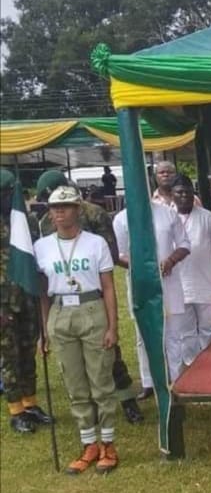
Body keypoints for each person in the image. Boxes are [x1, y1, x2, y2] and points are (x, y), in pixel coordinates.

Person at [36, 170, 143, 424]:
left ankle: (127, 399)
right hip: (64, 299)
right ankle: (89, 409)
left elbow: (111, 251)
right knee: (76, 364)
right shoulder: (45, 222)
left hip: (92, 294)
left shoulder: (94, 213)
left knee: (109, 354)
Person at [35, 186, 120, 474]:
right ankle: (89, 443)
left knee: (100, 381)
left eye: (67, 206)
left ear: (78, 210)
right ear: (49, 213)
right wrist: (45, 329)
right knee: (75, 385)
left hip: (91, 308)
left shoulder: (95, 243)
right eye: (55, 208)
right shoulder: (42, 246)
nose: (60, 212)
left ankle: (108, 442)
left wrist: (113, 326)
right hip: (60, 313)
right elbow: (43, 292)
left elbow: (108, 287)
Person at [113, 200, 191, 392]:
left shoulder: (168, 214)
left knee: (173, 334)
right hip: (141, 284)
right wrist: (142, 267)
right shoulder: (122, 218)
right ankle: (148, 382)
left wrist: (171, 261)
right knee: (143, 335)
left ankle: (176, 379)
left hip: (168, 282)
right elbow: (118, 254)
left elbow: (184, 244)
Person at [0, 169, 52, 433]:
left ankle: (31, 404)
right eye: (6, 193)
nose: (10, 198)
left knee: (28, 351)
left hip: (26, 295)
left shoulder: (26, 221)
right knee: (10, 356)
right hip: (3, 304)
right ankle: (16, 410)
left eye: (12, 192)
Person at [171, 174, 211, 361]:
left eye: (188, 192)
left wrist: (204, 261)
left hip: (203, 281)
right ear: (172, 194)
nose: (184, 196)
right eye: (179, 192)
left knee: (209, 328)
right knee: (185, 331)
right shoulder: (166, 218)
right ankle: (192, 365)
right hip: (177, 284)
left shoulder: (208, 218)